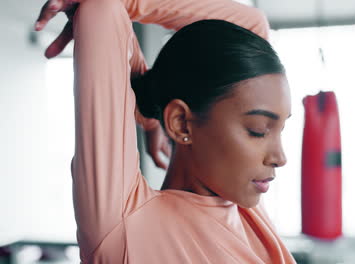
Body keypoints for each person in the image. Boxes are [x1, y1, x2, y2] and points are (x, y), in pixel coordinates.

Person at [35, 0, 295, 263]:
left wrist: (149, 109)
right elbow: (103, 8)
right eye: (258, 130)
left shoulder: (244, 209)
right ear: (181, 123)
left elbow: (251, 26)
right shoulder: (126, 227)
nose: (280, 157)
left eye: (280, 129)